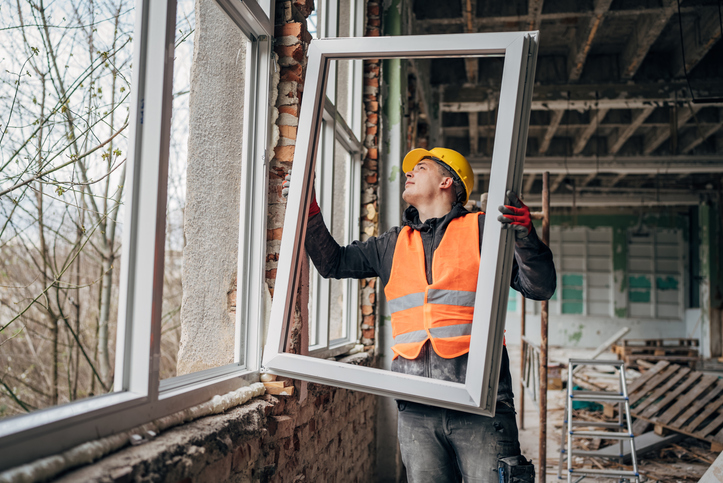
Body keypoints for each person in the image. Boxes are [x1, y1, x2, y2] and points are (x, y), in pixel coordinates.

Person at [286, 147, 556, 482]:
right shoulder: (392, 243)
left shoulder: (484, 229)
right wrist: (308, 210)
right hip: (417, 408)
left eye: (421, 167)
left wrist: (525, 237)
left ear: (447, 181)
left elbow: (539, 287)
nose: (409, 173)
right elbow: (333, 263)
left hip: (481, 405)